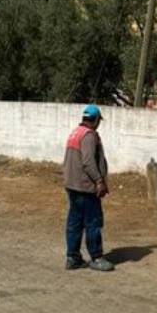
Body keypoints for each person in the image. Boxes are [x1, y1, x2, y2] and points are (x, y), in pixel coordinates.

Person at [63, 104, 114, 272]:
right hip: (85, 187)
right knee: (93, 222)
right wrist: (99, 181)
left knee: (75, 223)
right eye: (99, 120)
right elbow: (88, 162)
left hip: (72, 185)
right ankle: (96, 257)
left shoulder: (75, 133)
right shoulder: (89, 135)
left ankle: (73, 257)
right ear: (96, 120)